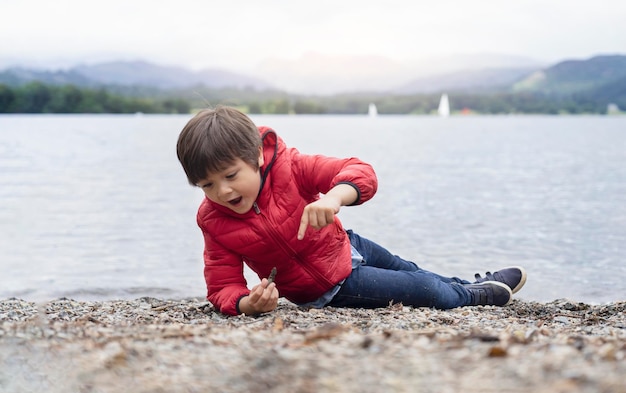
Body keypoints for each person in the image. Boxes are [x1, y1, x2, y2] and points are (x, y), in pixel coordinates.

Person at [176, 106, 527, 316]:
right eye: (207, 185)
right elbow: (222, 285)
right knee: (424, 290)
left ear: (256, 156)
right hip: (328, 288)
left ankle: (467, 284)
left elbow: (360, 171)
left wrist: (334, 198)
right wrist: (247, 304)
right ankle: (474, 297)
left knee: (413, 271)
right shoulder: (214, 221)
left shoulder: (291, 166)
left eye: (230, 176)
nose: (222, 191)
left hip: (347, 245)